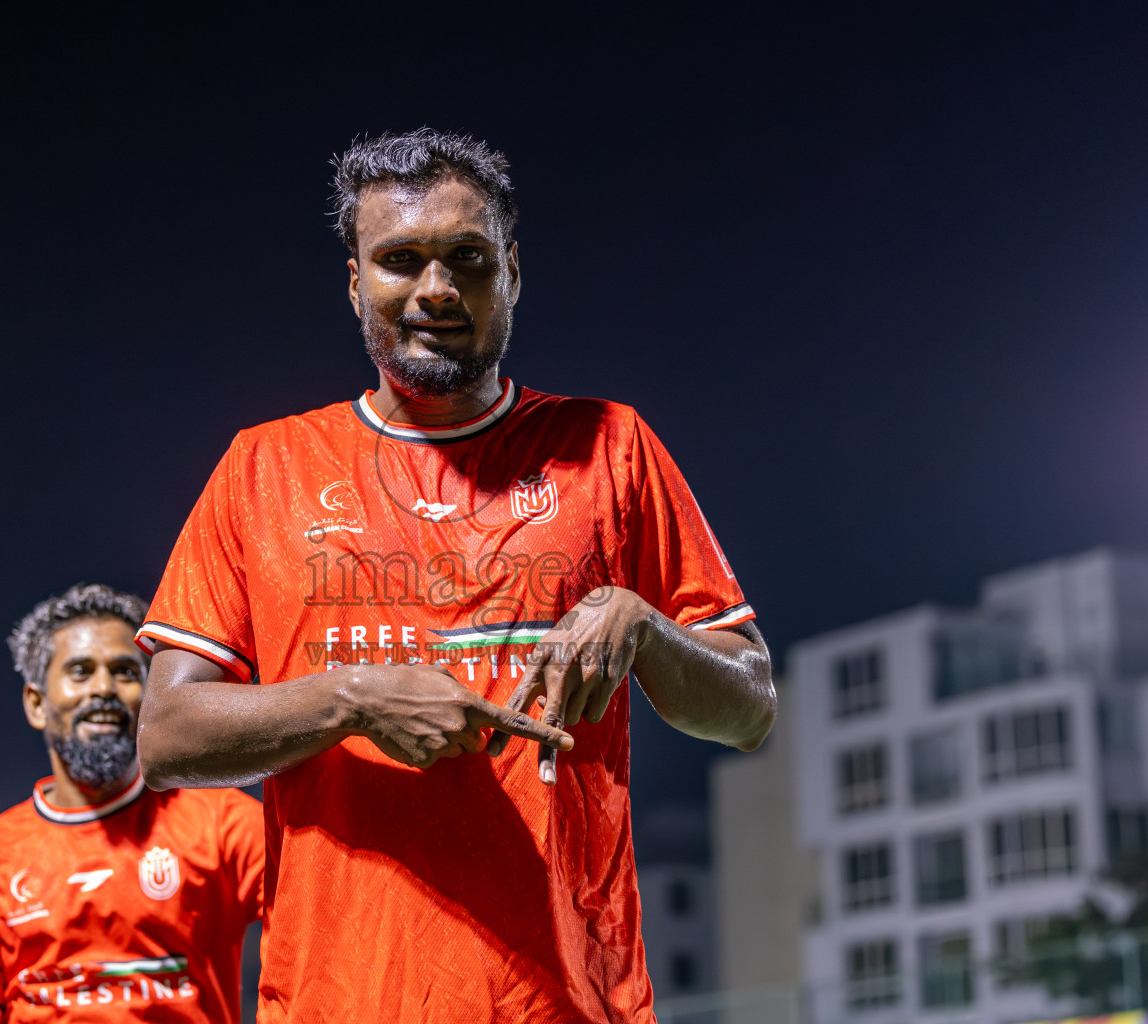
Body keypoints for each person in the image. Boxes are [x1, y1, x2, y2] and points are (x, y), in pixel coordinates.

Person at [135, 129, 777, 1022]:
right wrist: (353, 698)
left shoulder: (612, 446)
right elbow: (165, 737)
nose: (435, 289)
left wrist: (641, 624)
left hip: (567, 1003)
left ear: (511, 271)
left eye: (467, 259)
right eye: (400, 260)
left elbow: (750, 706)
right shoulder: (263, 466)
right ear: (356, 282)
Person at [0, 584, 264, 1024]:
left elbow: (318, 912)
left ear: (149, 698)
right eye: (80, 671)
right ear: (37, 704)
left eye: (123, 671)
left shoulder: (224, 824)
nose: (103, 688)